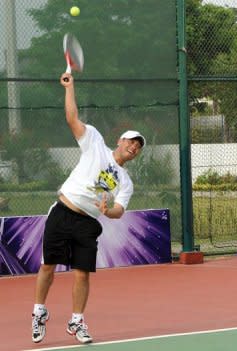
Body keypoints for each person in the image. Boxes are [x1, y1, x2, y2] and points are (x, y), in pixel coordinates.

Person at [31, 72, 145, 344]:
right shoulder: (94, 141)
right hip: (62, 211)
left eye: (138, 147)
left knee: (82, 274)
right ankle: (38, 312)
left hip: (87, 223)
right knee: (48, 266)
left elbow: (119, 210)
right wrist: (69, 88)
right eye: (130, 141)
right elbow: (72, 118)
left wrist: (108, 211)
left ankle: (76, 321)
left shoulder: (126, 182)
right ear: (120, 140)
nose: (133, 147)